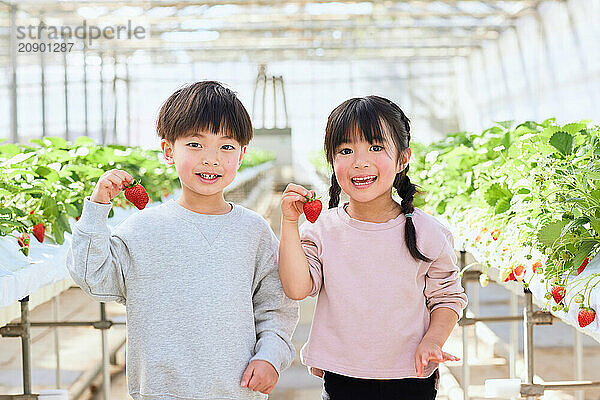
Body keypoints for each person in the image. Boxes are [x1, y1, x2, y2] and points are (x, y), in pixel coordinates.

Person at [66, 81, 299, 400]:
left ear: (242, 155)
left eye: (226, 146)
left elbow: (276, 306)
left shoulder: (254, 231)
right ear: (167, 151)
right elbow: (92, 276)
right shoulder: (142, 229)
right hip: (160, 392)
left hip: (237, 390)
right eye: (195, 144)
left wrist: (270, 355)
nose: (212, 159)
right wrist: (96, 210)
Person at [278, 95, 468, 400]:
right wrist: (289, 224)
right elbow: (297, 288)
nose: (360, 161)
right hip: (343, 377)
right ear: (332, 160)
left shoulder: (427, 231)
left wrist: (433, 340)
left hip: (411, 376)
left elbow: (447, 297)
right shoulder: (321, 229)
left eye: (376, 148)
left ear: (403, 158)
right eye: (346, 150)